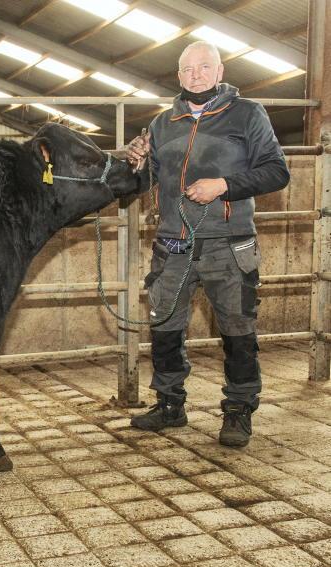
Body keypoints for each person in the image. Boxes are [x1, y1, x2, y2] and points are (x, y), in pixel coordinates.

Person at [125, 40, 290, 447]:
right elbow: (146, 182)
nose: (195, 75)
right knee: (165, 324)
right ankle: (169, 403)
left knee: (237, 329)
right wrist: (138, 163)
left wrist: (224, 185)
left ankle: (238, 410)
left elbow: (276, 171)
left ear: (219, 72)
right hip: (173, 242)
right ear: (178, 75)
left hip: (228, 242)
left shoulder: (247, 113)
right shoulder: (162, 123)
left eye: (203, 67)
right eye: (187, 69)